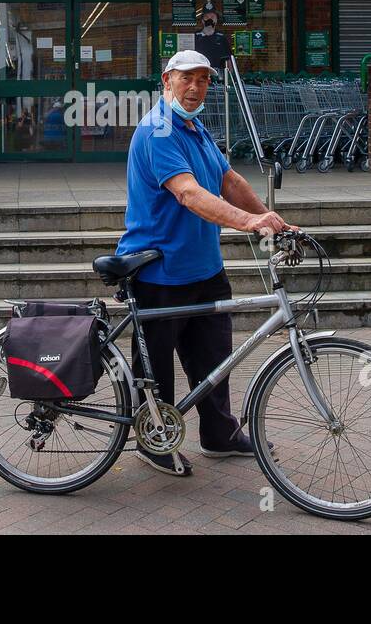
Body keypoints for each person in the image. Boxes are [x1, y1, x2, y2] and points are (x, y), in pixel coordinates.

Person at [115, 49, 293, 476]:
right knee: (155, 368)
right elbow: (188, 193)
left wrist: (276, 224)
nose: (195, 88)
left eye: (204, 80)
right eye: (186, 78)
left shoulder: (194, 128)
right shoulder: (157, 131)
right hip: (159, 270)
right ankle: (153, 441)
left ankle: (218, 434)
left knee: (215, 359)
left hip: (205, 268)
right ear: (166, 80)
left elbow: (228, 181)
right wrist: (251, 222)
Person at [193, 2, 230, 69]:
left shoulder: (222, 38)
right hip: (199, 73)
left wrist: (230, 76)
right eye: (206, 17)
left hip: (218, 76)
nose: (209, 20)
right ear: (202, 20)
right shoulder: (195, 37)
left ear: (216, 20)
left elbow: (228, 60)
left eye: (212, 17)